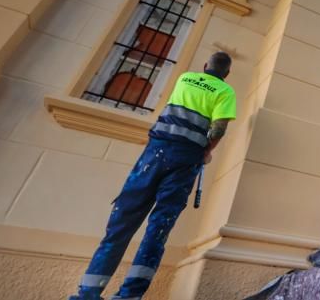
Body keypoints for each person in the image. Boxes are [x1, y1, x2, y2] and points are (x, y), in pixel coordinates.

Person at [69, 52, 237, 300]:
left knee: (122, 222)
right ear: (227, 74)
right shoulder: (225, 92)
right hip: (185, 160)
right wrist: (207, 152)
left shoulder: (185, 79)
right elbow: (218, 129)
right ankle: (129, 296)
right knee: (158, 228)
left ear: (205, 66)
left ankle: (88, 293)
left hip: (154, 153)